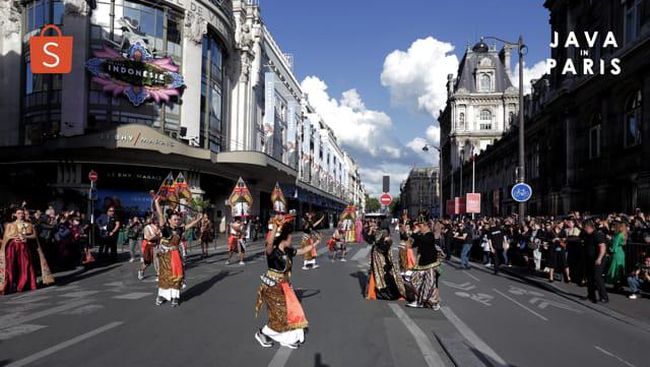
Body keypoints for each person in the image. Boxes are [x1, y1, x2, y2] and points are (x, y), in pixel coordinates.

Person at [255, 218, 317, 349]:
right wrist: (275, 227)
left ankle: (286, 339)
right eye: (290, 238)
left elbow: (301, 251)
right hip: (271, 287)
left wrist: (315, 244)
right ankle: (262, 333)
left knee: (289, 313)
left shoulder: (288, 250)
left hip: (284, 286)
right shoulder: (273, 252)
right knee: (280, 315)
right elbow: (270, 243)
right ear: (284, 239)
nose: (291, 240)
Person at [153, 198, 201, 307]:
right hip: (165, 257)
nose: (177, 221)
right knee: (165, 277)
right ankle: (161, 296)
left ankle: (175, 297)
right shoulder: (165, 229)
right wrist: (156, 203)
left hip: (176, 256)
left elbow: (189, 226)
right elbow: (160, 216)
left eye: (178, 219)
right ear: (169, 220)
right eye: (175, 219)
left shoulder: (179, 229)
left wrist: (198, 219)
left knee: (177, 276)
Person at [1, 207, 55, 294]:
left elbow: (34, 236)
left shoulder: (29, 225)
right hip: (12, 248)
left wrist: (25, 236)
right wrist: (15, 237)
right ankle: (10, 285)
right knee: (11, 267)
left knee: (25, 265)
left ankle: (24, 284)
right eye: (18, 213)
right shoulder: (10, 225)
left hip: (24, 248)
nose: (21, 215)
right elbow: (6, 237)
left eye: (22, 213)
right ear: (15, 214)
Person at [404, 220, 444, 310]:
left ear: (426, 226)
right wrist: (406, 235)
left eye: (420, 227)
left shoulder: (430, 235)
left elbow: (423, 240)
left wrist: (414, 233)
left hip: (431, 264)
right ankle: (420, 300)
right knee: (414, 280)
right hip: (422, 264)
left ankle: (434, 303)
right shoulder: (422, 236)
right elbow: (412, 244)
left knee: (431, 284)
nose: (419, 229)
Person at [366, 227, 406, 301]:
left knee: (389, 278)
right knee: (375, 276)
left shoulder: (388, 241)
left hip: (385, 264)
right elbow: (368, 239)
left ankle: (398, 294)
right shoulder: (377, 241)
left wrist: (382, 240)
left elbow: (383, 249)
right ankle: (372, 293)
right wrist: (371, 231)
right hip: (377, 263)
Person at [582, 220, 609, 303]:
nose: (584, 230)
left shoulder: (598, 234)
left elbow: (603, 247)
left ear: (588, 227)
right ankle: (591, 295)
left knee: (597, 277)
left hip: (598, 259)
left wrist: (599, 258)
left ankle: (604, 297)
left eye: (585, 228)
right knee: (589, 277)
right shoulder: (587, 235)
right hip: (590, 259)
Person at [606, 222, 627, 288]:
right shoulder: (622, 234)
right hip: (621, 252)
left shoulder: (618, 235)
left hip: (617, 253)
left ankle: (617, 284)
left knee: (615, 268)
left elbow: (614, 245)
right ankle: (619, 283)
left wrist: (610, 249)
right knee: (619, 268)